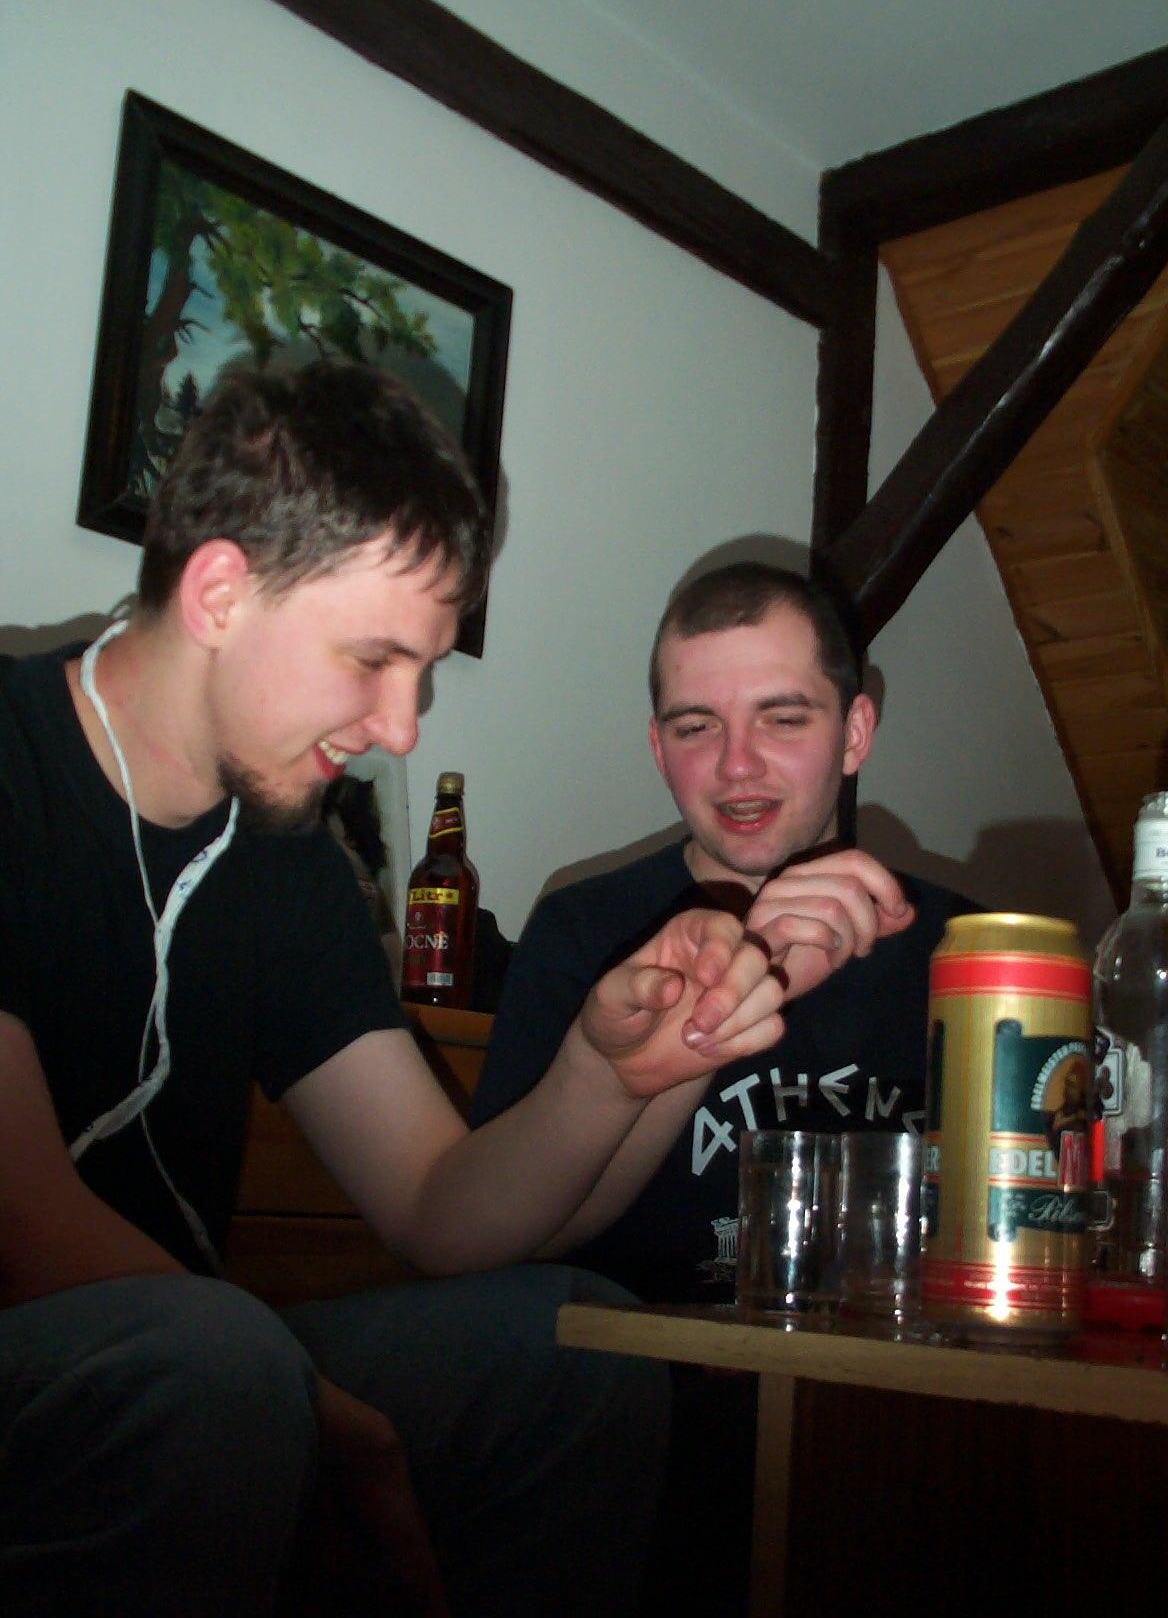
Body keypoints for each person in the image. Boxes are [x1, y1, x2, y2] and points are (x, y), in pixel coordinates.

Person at [0, 366, 905, 1618]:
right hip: (100, 1360)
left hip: (205, 1363)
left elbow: (436, 1207)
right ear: (218, 592)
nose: (403, 724)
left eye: (420, 671)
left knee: (573, 1338)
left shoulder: (288, 859)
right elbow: (24, 1225)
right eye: (375, 659)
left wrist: (610, 1069)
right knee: (212, 1364)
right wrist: (322, 1413)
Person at [473, 560, 975, 1302]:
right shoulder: (582, 931)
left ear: (855, 732)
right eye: (696, 727)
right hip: (642, 1363)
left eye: (783, 719)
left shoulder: (968, 953)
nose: (737, 766)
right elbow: (500, 1245)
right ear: (658, 750)